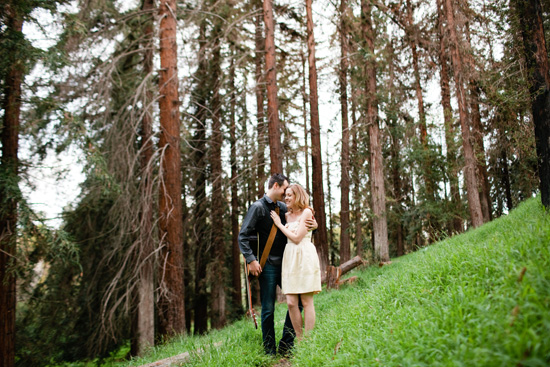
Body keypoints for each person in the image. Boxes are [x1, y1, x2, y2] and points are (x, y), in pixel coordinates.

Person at [239, 173, 317, 356]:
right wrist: (251, 259)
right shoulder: (257, 208)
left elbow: (302, 218)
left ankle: (286, 345)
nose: (285, 193)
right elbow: (243, 236)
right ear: (275, 186)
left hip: (287, 264)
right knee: (267, 309)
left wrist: (315, 224)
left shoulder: (284, 208)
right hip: (266, 266)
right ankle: (269, 351)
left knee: (296, 304)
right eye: (284, 188)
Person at [270, 183, 321, 340]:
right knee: (291, 302)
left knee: (306, 301)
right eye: (286, 195)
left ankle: (309, 339)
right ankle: (299, 339)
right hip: (290, 257)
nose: (286, 198)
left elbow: (298, 238)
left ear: (298, 196)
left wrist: (279, 225)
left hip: (304, 256)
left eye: (290, 195)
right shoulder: (286, 214)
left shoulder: (306, 212)